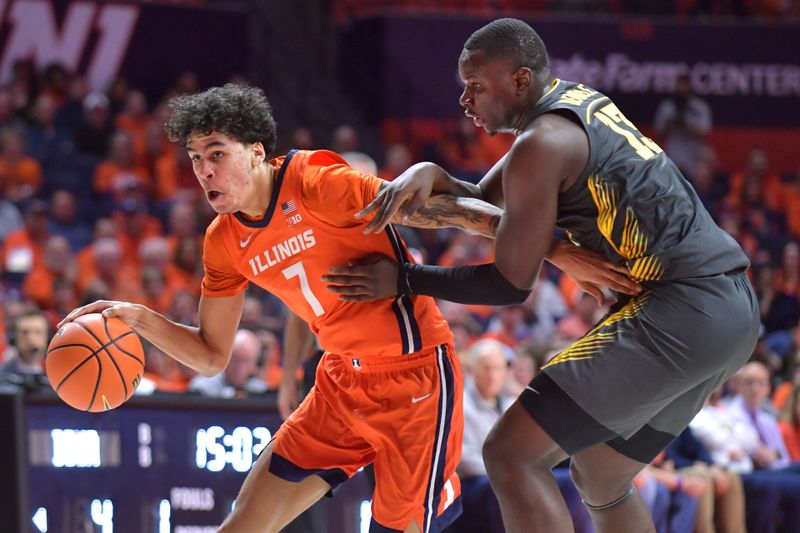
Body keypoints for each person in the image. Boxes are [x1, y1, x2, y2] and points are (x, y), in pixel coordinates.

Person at [58, 83, 633, 533]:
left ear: (256, 153)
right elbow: (211, 355)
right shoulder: (222, 241)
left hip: (416, 384)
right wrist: (137, 318)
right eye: (194, 157)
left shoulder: (316, 182)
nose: (203, 169)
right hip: (339, 386)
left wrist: (557, 251)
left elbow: (444, 209)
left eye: (216, 153)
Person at [322, 18, 760, 533]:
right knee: (602, 473)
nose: (466, 101)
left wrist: (404, 280)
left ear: (521, 81)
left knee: (509, 453)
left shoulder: (542, 142)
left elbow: (509, 285)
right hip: (732, 311)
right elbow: (486, 198)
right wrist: (429, 171)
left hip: (681, 311)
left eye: (477, 87)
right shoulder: (574, 104)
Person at [0, 308, 50, 389]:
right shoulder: (2, 377)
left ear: (47, 338)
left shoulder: (57, 378)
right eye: (25, 332)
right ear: (14, 338)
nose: (31, 338)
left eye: (38, 332)